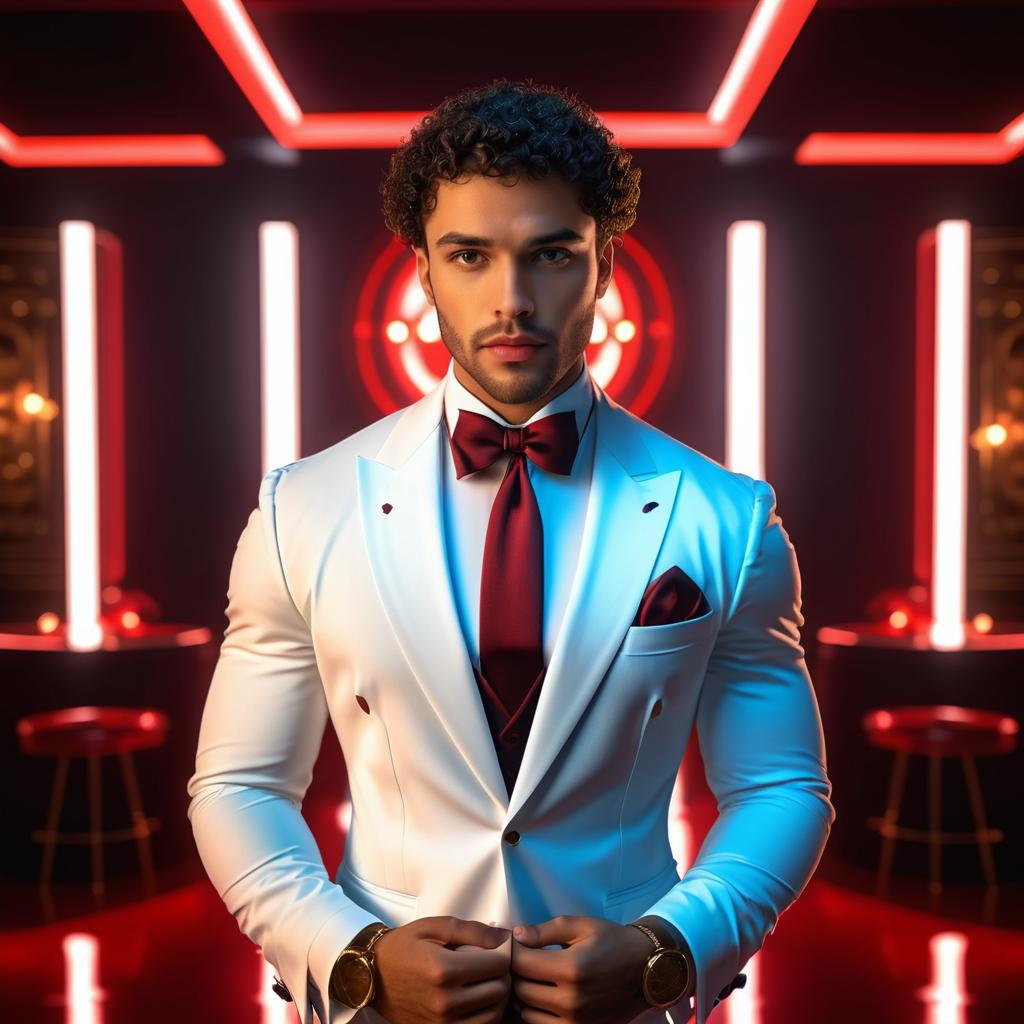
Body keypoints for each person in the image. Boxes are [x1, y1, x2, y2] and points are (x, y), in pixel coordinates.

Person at [187, 79, 834, 1024]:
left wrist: (667, 949)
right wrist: (354, 956)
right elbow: (239, 785)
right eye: (470, 256)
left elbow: (781, 788)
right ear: (423, 271)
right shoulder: (305, 507)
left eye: (552, 255)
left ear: (604, 265)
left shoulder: (727, 517)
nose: (513, 299)